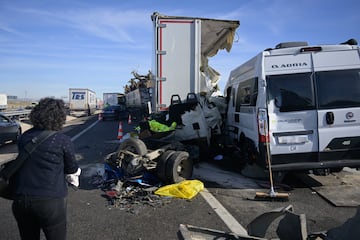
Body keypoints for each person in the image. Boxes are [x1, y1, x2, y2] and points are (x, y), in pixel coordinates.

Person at [8, 97, 81, 240]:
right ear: (60, 117)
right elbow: (71, 169)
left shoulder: (24, 137)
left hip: (21, 200)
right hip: (50, 202)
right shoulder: (62, 140)